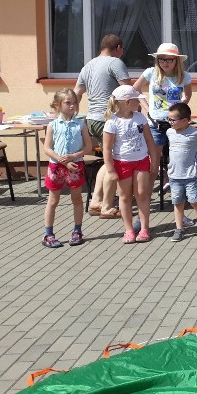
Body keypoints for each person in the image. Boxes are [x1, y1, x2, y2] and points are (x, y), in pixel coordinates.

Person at [75, 34, 131, 218]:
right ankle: (107, 206)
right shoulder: (115, 63)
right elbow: (126, 91)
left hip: (92, 119)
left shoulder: (88, 65)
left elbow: (77, 93)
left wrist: (69, 116)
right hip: (109, 119)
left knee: (108, 161)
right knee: (114, 162)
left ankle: (95, 202)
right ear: (119, 47)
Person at [102, 86, 158, 244]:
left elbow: (149, 140)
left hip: (141, 160)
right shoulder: (112, 122)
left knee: (142, 193)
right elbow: (107, 148)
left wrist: (154, 159)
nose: (139, 102)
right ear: (127, 102)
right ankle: (128, 229)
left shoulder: (140, 117)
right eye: (136, 100)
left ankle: (145, 228)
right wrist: (111, 170)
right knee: (125, 196)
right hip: (122, 162)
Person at [41, 89, 93, 248]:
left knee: (77, 199)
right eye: (68, 102)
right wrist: (61, 160)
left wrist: (72, 157)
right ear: (58, 105)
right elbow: (47, 148)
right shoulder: (53, 125)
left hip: (75, 165)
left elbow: (88, 147)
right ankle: (48, 234)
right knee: (53, 200)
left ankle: (77, 231)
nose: (72, 105)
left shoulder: (80, 124)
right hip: (56, 166)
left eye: (75, 102)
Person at [132, 43, 192, 179]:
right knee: (153, 162)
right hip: (156, 123)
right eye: (161, 59)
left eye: (169, 59)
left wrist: (180, 108)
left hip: (176, 124)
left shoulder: (184, 76)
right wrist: (147, 108)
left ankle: (177, 190)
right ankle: (147, 194)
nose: (165, 62)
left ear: (176, 60)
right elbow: (135, 90)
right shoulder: (150, 73)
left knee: (178, 158)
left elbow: (187, 95)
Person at [165, 102, 197, 242]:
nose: (170, 122)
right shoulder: (170, 132)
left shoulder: (195, 133)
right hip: (174, 175)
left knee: (195, 202)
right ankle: (179, 228)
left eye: (173, 120)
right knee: (178, 203)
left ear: (185, 120)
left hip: (190, 175)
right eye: (169, 119)